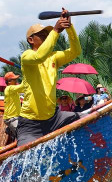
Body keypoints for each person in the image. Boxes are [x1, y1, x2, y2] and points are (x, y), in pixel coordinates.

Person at [16, 9, 81, 145]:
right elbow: (39, 56)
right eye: (43, 35)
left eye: (48, 34)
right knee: (25, 152)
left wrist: (70, 28)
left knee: (86, 119)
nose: (47, 36)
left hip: (54, 118)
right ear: (31, 40)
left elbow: (75, 51)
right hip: (30, 124)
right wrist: (55, 31)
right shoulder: (27, 56)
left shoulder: (54, 57)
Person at [1, 71, 23, 139]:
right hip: (11, 119)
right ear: (9, 82)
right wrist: (27, 75)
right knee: (21, 135)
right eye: (14, 79)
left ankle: (10, 130)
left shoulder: (13, 90)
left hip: (16, 117)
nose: (16, 80)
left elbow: (25, 89)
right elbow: (23, 86)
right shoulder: (9, 88)